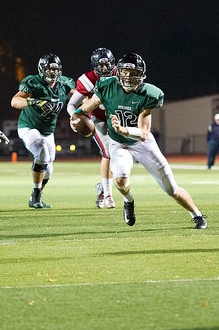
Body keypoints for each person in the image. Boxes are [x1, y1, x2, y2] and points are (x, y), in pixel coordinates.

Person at [70, 53, 207, 229]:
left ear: (141, 75)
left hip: (142, 144)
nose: (128, 76)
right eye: (125, 72)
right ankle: (129, 201)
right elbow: (84, 109)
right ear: (118, 72)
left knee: (171, 188)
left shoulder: (149, 93)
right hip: (119, 143)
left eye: (132, 73)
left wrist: (123, 129)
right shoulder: (107, 86)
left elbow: (143, 133)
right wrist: (75, 118)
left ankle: (197, 215)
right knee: (120, 179)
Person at [11, 53, 75, 208]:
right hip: (28, 126)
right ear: (41, 69)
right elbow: (15, 101)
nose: (52, 72)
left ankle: (36, 197)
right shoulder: (33, 82)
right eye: (49, 69)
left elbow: (80, 98)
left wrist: (81, 113)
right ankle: (36, 194)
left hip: (48, 131)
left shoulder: (65, 83)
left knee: (49, 168)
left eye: (55, 69)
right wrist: (33, 101)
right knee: (41, 152)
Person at [67, 47, 117, 208]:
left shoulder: (121, 74)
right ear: (94, 65)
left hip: (118, 118)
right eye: (100, 65)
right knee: (108, 152)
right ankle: (109, 195)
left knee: (121, 157)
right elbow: (72, 104)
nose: (104, 68)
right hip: (98, 119)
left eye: (107, 64)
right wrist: (74, 117)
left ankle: (102, 187)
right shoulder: (88, 79)